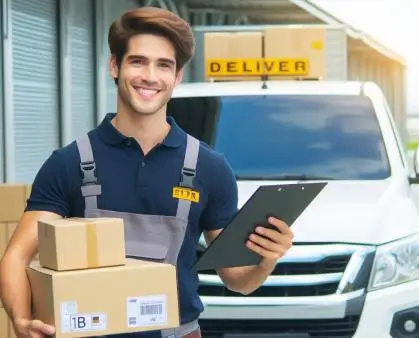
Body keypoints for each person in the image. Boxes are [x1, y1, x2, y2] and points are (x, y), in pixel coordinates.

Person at [0, 6, 294, 338]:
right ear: (115, 66)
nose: (150, 77)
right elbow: (16, 256)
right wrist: (21, 320)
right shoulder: (69, 163)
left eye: (164, 65)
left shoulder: (209, 169)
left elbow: (237, 280)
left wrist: (267, 260)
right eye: (138, 61)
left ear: (177, 76)